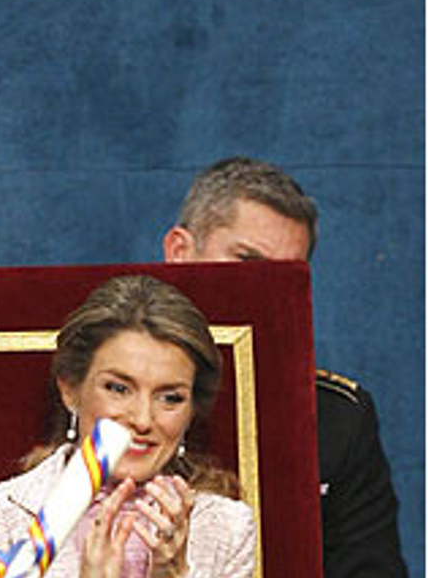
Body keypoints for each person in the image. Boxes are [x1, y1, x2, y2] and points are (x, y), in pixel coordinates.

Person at [163, 156, 408, 578]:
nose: (266, 289)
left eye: (286, 275)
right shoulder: (99, 397)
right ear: (180, 252)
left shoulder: (334, 419)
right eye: (247, 262)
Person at [0, 275, 256, 578]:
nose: (143, 420)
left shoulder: (226, 529)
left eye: (170, 398)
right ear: (70, 390)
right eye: (119, 389)